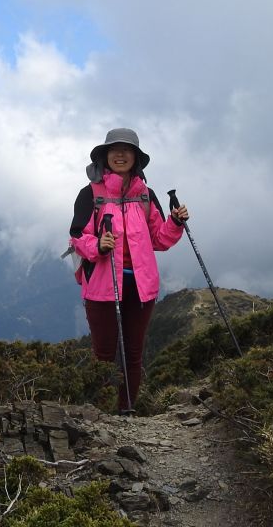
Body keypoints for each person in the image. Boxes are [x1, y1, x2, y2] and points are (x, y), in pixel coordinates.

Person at [68, 128, 189, 413]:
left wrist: (174, 222)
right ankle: (101, 412)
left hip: (140, 286)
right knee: (104, 355)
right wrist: (98, 244)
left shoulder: (146, 196)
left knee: (133, 353)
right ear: (104, 156)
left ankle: (126, 410)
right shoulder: (90, 195)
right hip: (102, 286)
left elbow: (159, 239)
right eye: (114, 150)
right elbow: (77, 237)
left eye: (127, 150)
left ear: (136, 158)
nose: (120, 155)